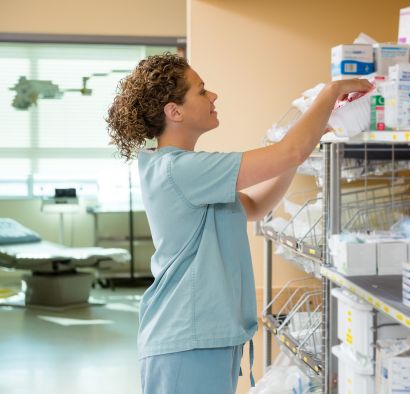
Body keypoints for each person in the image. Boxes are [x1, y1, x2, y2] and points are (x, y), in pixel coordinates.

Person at [106, 53, 372, 394]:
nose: (213, 96)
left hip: (204, 336)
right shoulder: (180, 170)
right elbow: (287, 152)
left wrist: (308, 139)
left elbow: (255, 205)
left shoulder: (180, 170)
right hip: (188, 338)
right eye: (201, 91)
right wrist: (331, 92)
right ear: (175, 112)